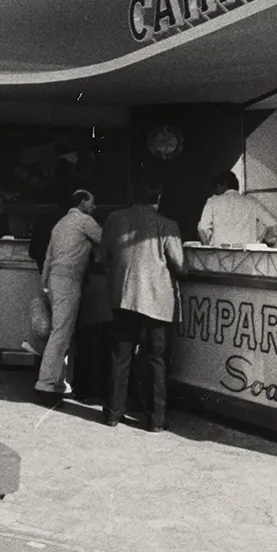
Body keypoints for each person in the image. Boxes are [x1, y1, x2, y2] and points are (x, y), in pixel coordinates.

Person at [102, 178, 186, 431]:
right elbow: (180, 264)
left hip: (124, 297)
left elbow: (102, 253)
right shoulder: (167, 225)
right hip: (157, 300)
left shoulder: (115, 219)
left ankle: (113, 414)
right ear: (158, 197)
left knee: (120, 356)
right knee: (156, 359)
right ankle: (156, 420)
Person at [34, 190, 103, 404]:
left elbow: (48, 257)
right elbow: (106, 239)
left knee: (61, 333)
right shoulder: (84, 221)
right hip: (69, 281)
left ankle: (58, 383)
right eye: (92, 203)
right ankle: (46, 384)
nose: (94, 207)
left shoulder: (60, 223)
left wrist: (45, 286)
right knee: (61, 334)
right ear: (82, 202)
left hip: (55, 280)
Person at [197, 171, 276, 245]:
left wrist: (207, 245)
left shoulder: (212, 201)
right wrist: (263, 239)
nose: (215, 191)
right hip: (247, 255)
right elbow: (271, 223)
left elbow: (203, 228)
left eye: (216, 187)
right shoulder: (252, 202)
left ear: (222, 185)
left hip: (220, 254)